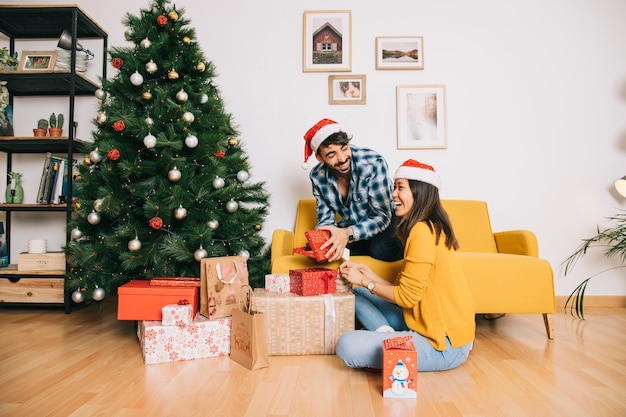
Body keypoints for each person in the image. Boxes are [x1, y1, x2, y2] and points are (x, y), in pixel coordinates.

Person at [335, 159, 475, 371]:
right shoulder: (429, 226)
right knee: (355, 293)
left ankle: (394, 343)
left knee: (347, 345)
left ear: (420, 192)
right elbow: (407, 293)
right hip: (423, 321)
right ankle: (389, 337)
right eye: (394, 187)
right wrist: (369, 276)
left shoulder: (422, 231)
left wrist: (364, 281)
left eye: (400, 187)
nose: (393, 194)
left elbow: (406, 298)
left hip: (443, 344)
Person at [303, 118, 404, 262]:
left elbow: (382, 216)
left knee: (380, 249)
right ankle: (362, 246)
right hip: (353, 226)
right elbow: (326, 220)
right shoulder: (317, 176)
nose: (342, 158)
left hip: (386, 219)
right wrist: (323, 241)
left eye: (344, 148)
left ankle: (398, 241)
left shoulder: (373, 163)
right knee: (322, 253)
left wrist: (346, 234)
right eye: (331, 155)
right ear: (319, 158)